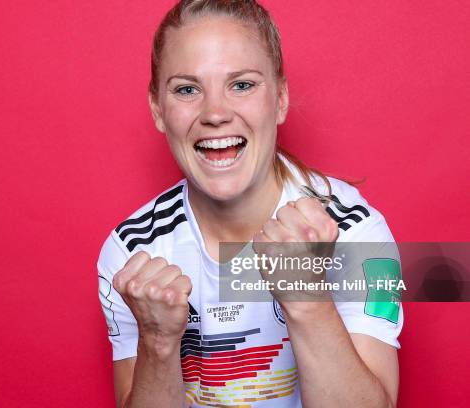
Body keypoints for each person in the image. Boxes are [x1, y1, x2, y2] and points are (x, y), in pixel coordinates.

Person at [97, 1, 403, 407]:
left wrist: (306, 297)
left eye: (242, 84)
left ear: (280, 99)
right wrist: (158, 342)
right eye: (187, 89)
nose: (216, 113)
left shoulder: (357, 232)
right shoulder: (130, 253)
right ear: (158, 109)